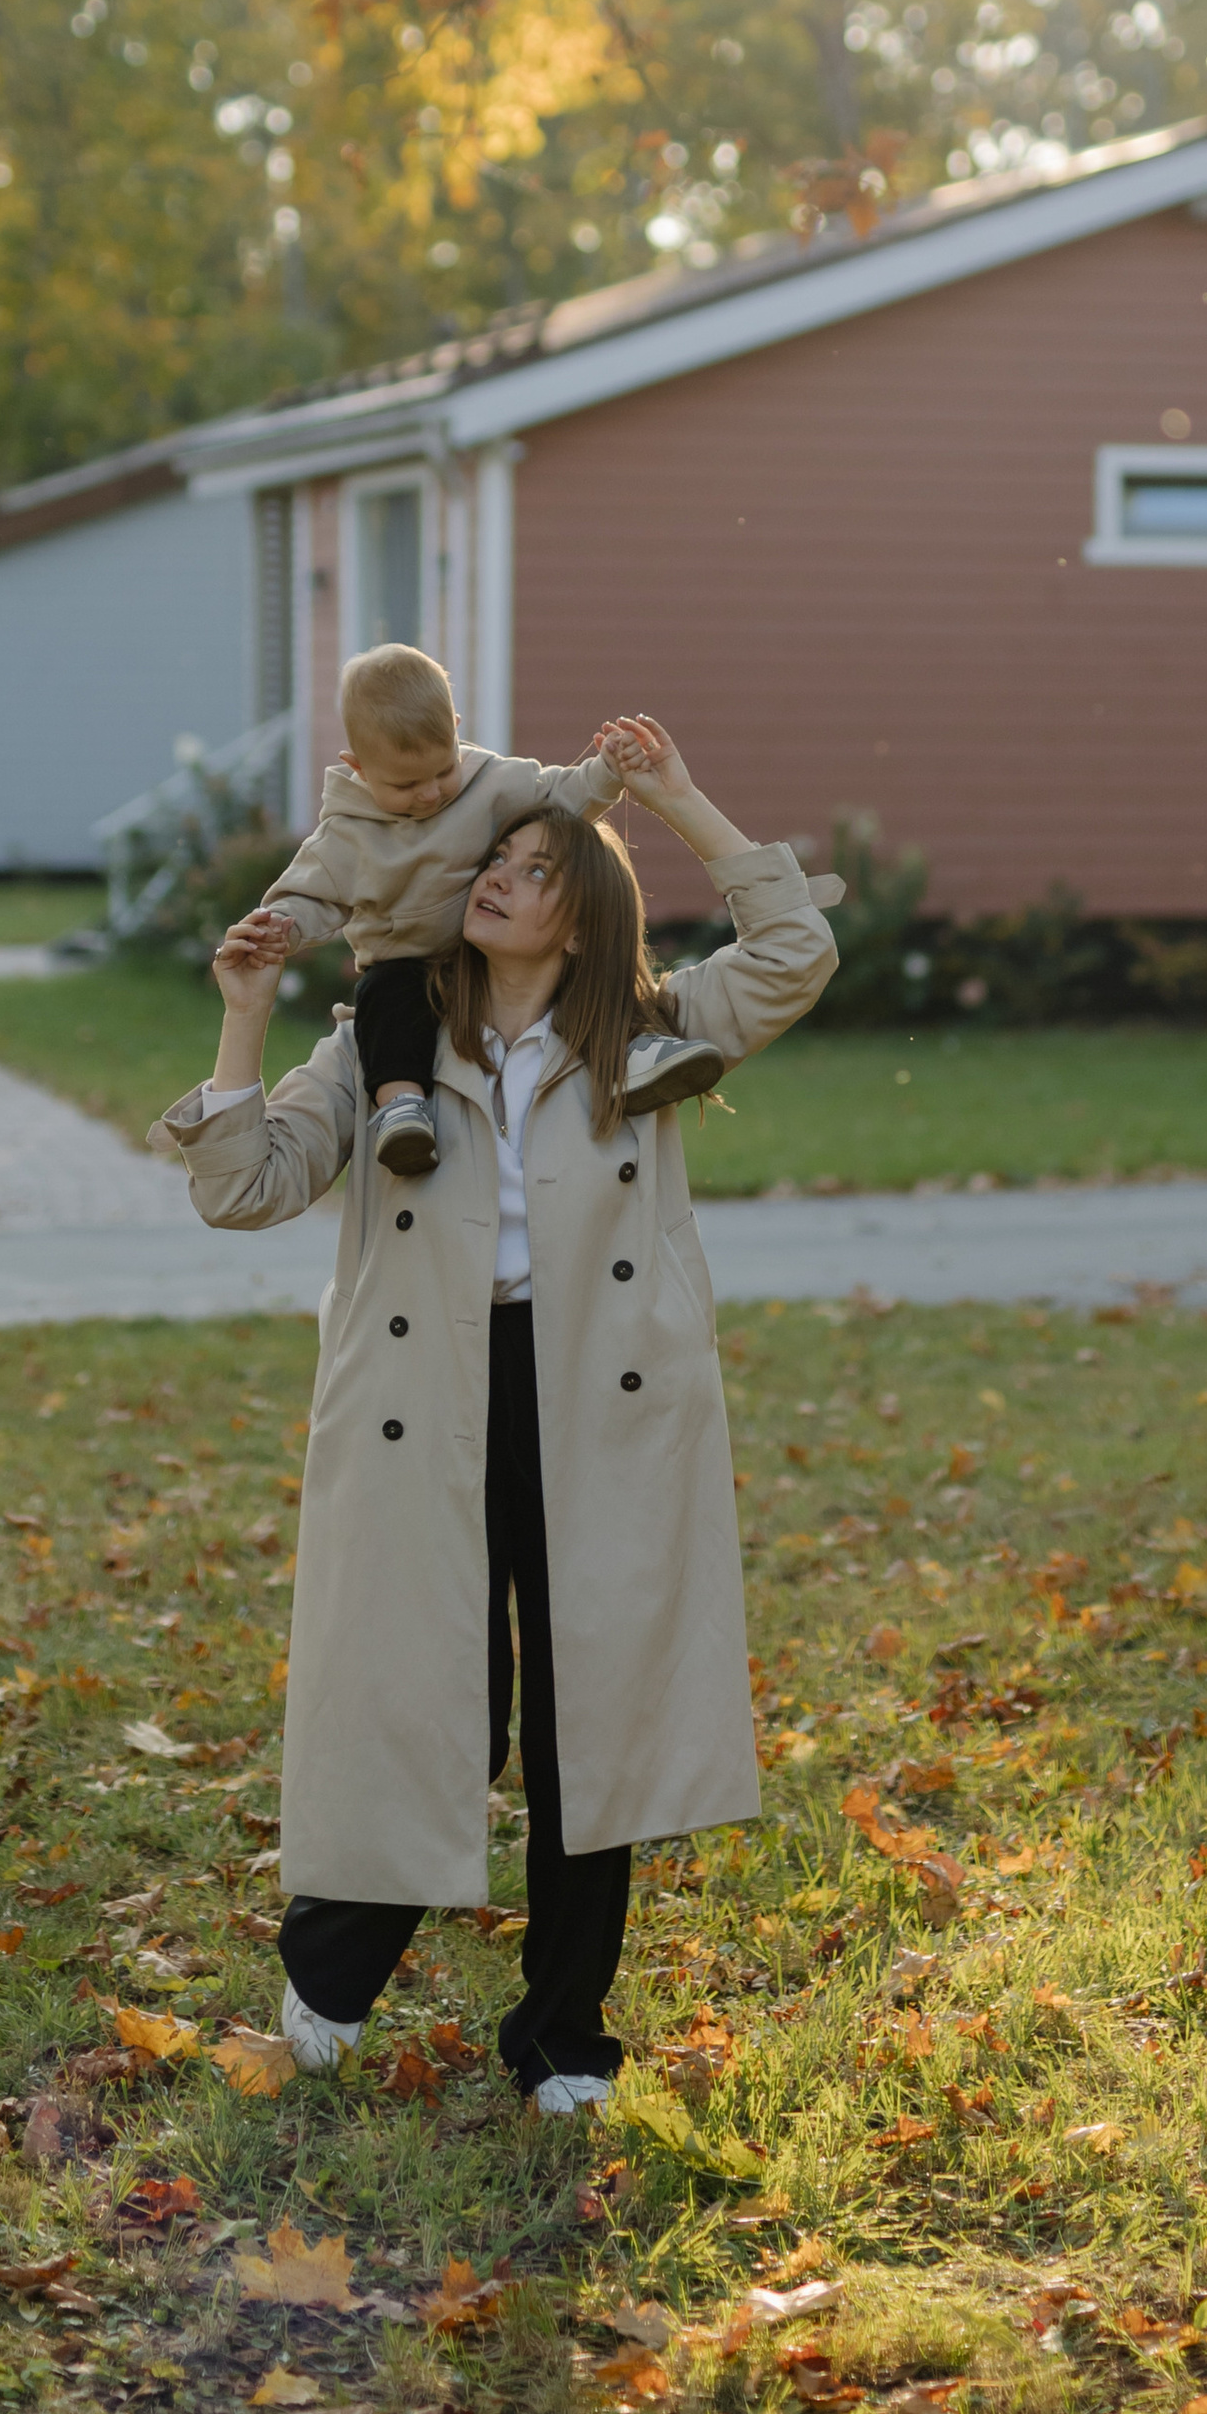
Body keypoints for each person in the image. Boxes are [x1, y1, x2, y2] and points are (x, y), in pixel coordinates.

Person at [153, 716, 836, 2114]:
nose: (501, 876)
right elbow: (245, 1185)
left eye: (536, 865)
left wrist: (681, 794)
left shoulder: (647, 1038)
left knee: (586, 1723)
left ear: (583, 921)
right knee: (428, 1693)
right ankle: (330, 1977)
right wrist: (241, 1013)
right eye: (497, 857)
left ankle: (566, 2037)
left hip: (601, 1406)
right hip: (426, 1404)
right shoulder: (389, 1042)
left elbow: (795, 953)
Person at [232, 640, 726, 1179]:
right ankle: (400, 1108)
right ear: (358, 768)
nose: (430, 794)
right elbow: (306, 895)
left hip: (492, 956)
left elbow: (562, 795)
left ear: (457, 731)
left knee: (571, 975)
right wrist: (280, 929)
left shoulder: (492, 783)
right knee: (383, 1000)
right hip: (411, 968)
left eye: (443, 771)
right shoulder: (346, 836)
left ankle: (634, 1053)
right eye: (405, 784)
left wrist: (608, 770)